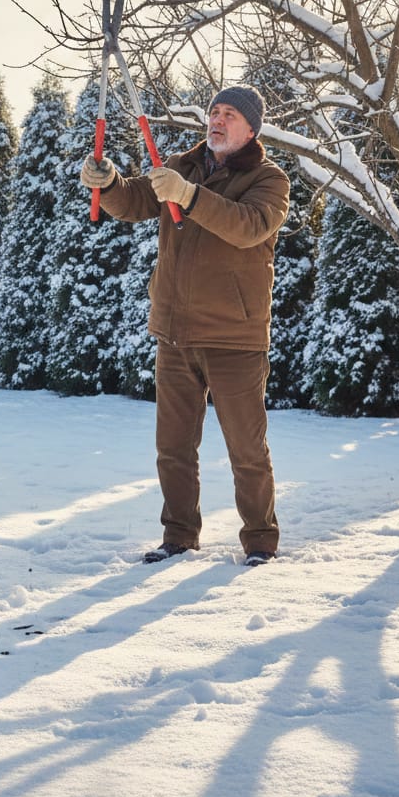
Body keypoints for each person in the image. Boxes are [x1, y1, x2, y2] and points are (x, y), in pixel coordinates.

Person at [80, 84, 290, 567]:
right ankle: (178, 537)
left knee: (246, 449)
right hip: (174, 333)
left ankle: (260, 542)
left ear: (251, 128)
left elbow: (248, 227)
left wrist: (190, 196)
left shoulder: (269, 180)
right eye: (214, 112)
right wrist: (109, 182)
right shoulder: (184, 164)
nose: (217, 120)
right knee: (173, 448)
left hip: (234, 338)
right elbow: (135, 202)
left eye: (230, 115)